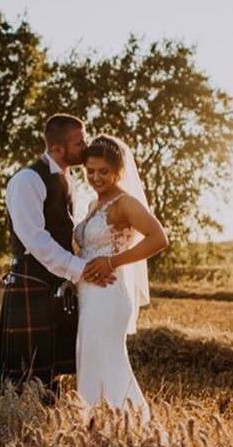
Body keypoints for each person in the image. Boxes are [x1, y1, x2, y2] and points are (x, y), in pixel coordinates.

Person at [0, 114, 116, 404]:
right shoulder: (27, 180)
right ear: (58, 149)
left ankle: (45, 426)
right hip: (31, 282)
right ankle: (8, 423)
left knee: (50, 375)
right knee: (20, 376)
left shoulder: (67, 179)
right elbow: (36, 240)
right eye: (79, 142)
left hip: (54, 285)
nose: (85, 147)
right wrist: (81, 270)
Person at [72, 134, 169, 423]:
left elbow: (159, 238)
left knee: (110, 362)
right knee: (88, 359)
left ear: (118, 172)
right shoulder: (92, 206)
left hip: (109, 294)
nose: (96, 177)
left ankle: (137, 426)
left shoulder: (124, 204)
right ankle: (94, 427)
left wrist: (113, 261)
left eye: (104, 171)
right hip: (88, 295)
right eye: (90, 171)